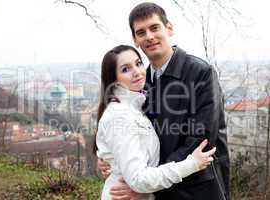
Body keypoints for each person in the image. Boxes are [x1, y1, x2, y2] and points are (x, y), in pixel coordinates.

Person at [98, 2, 230, 200]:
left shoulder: (200, 72)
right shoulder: (141, 83)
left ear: (169, 28)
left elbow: (200, 139)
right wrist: (110, 159)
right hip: (162, 188)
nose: (149, 37)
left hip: (197, 189)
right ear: (135, 39)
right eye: (141, 32)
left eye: (154, 27)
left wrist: (145, 184)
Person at [95, 45, 216, 200]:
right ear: (114, 80)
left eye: (138, 63)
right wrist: (190, 164)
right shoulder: (120, 116)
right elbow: (138, 179)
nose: (137, 72)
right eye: (125, 69)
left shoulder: (136, 106)